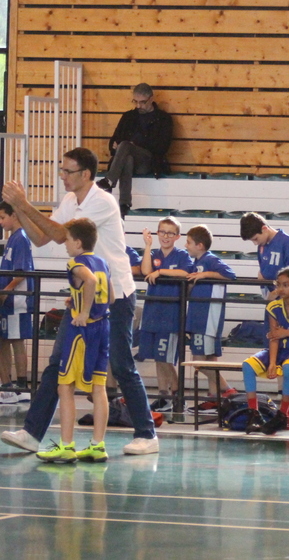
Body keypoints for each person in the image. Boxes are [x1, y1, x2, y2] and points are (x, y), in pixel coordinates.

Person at [1, 147, 158, 456]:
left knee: (122, 365)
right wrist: (19, 209)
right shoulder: (70, 200)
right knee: (57, 363)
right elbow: (41, 238)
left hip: (115, 296)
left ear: (86, 174)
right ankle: (32, 433)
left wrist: (24, 203)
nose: (62, 176)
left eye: (67, 171)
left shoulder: (102, 201)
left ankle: (147, 434)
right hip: (83, 300)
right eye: (62, 170)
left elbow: (61, 234)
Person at [36, 218, 111, 463]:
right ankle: (97, 445)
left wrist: (84, 311)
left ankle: (66, 446)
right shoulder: (102, 262)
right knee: (98, 387)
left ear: (78, 243)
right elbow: (109, 296)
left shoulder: (75, 263)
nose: (65, 244)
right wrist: (78, 300)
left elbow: (90, 281)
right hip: (103, 327)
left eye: (67, 240)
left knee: (65, 385)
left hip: (83, 331)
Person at [241, 267, 289, 435]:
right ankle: (254, 413)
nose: (281, 289)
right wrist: (272, 363)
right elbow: (274, 337)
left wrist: (288, 333)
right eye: (279, 285)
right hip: (279, 349)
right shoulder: (273, 307)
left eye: (286, 285)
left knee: (288, 368)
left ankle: (282, 414)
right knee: (247, 366)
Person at [134, 217, 193, 413]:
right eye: (162, 232)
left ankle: (177, 395)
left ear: (177, 236)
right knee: (157, 358)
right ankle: (163, 396)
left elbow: (185, 273)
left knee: (166, 358)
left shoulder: (182, 255)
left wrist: (160, 272)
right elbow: (145, 271)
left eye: (170, 233)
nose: (165, 236)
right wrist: (147, 246)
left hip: (170, 314)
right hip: (152, 311)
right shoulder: (154, 254)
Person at [96, 83, 174, 218]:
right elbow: (113, 140)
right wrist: (115, 145)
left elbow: (162, 147)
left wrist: (133, 145)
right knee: (127, 158)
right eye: (135, 101)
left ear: (151, 99)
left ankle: (110, 181)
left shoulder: (163, 119)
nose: (138, 106)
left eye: (142, 102)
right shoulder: (128, 116)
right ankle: (124, 204)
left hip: (148, 161)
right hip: (128, 160)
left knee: (126, 146)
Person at [182, 225, 238, 402]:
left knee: (198, 362)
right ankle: (214, 396)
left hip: (206, 317)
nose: (185, 246)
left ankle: (227, 389)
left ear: (199, 245)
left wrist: (205, 275)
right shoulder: (196, 263)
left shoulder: (210, 260)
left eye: (188, 242)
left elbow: (230, 274)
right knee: (210, 359)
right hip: (200, 316)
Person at [0, 201, 34, 402]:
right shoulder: (12, 239)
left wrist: (6, 291)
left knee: (16, 341)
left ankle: (19, 387)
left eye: (3, 217)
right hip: (9, 300)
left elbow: (21, 272)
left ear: (14, 215)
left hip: (16, 301)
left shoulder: (21, 238)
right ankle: (9, 385)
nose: (1, 222)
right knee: (6, 340)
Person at [239, 211, 289, 304]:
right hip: (271, 299)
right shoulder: (261, 245)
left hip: (286, 300)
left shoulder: (287, 242)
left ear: (264, 229)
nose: (255, 243)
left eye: (256, 239)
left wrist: (275, 293)